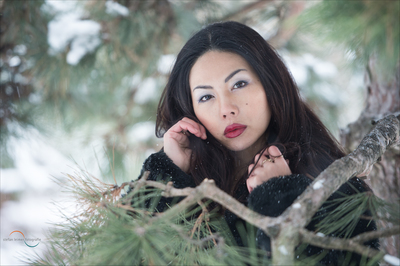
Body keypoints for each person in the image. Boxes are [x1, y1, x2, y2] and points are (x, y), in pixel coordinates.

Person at [132, 21, 379, 264]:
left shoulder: (334, 182)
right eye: (206, 96)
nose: (226, 109)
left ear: (270, 83)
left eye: (239, 84)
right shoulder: (187, 188)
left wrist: (282, 193)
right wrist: (164, 173)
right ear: (190, 110)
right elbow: (127, 252)